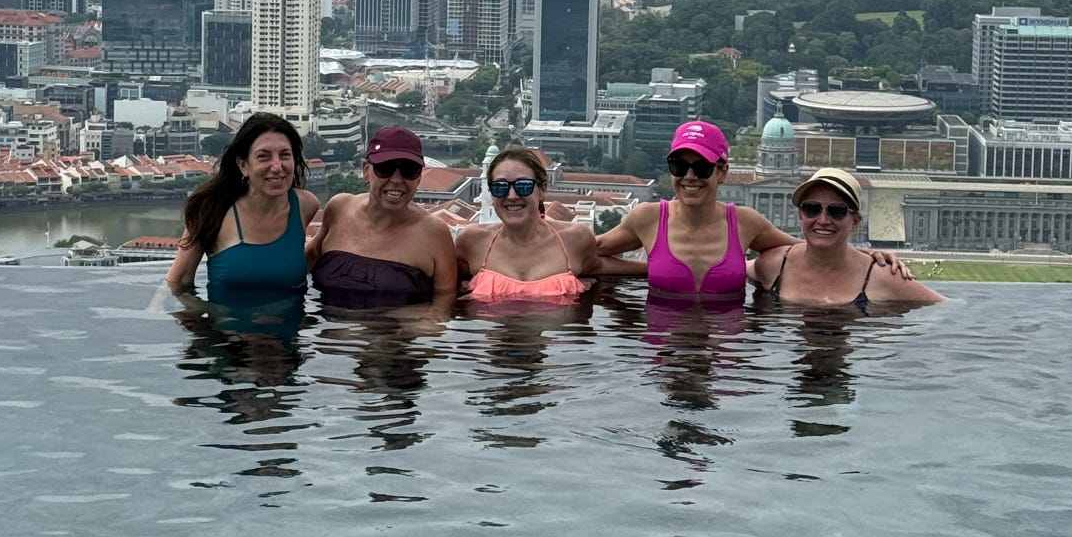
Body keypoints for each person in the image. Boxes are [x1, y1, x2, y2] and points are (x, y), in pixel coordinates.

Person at [598, 120, 915, 300]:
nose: (690, 176)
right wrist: (647, 269)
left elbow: (810, 246)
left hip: (726, 363)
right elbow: (591, 253)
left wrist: (868, 255)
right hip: (665, 357)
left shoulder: (745, 222)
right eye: (679, 166)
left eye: (703, 167)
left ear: (722, 172)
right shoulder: (648, 217)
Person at [166, 113, 320, 297]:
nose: (277, 166)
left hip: (293, 315)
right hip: (225, 316)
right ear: (243, 165)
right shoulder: (210, 210)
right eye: (264, 157)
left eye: (285, 155)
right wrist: (202, 313)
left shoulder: (305, 205)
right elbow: (179, 284)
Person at [309, 125, 458, 306]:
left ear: (419, 177)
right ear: (366, 170)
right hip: (324, 322)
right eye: (385, 168)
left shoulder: (434, 233)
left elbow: (444, 303)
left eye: (409, 170)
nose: (396, 180)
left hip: (400, 324)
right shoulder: (339, 208)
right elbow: (306, 260)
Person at [755, 167, 943, 309]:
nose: (823, 220)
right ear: (800, 215)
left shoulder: (883, 277)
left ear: (855, 221)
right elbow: (736, 268)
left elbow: (944, 309)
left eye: (837, 211)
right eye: (812, 208)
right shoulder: (772, 265)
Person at [457, 145, 601, 301]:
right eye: (499, 187)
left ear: (542, 190)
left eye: (523, 186)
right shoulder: (471, 241)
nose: (511, 196)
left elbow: (600, 267)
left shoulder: (576, 239)